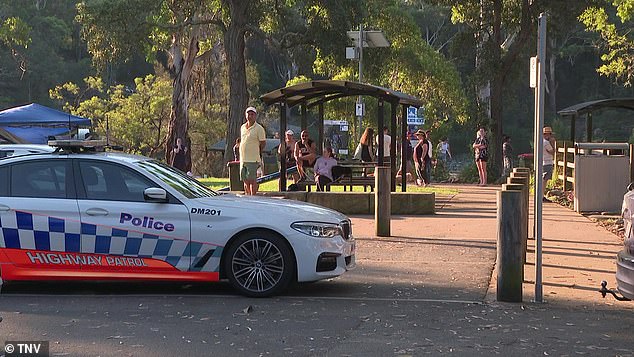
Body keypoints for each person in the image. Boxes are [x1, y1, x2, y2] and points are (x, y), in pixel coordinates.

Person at [239, 106, 266, 195]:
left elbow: (263, 143)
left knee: (252, 180)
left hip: (253, 159)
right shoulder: (243, 127)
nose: (250, 116)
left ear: (255, 116)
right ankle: (247, 196)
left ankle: (253, 196)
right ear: (245, 115)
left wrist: (258, 151)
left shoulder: (259, 128)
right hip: (243, 159)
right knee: (244, 179)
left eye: (252, 114)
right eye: (248, 114)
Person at [543, 126, 556, 201]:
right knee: (544, 180)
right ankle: (542, 196)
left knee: (543, 180)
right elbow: (552, 152)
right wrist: (553, 144)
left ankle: (541, 195)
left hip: (543, 162)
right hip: (547, 162)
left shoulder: (541, 142)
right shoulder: (547, 143)